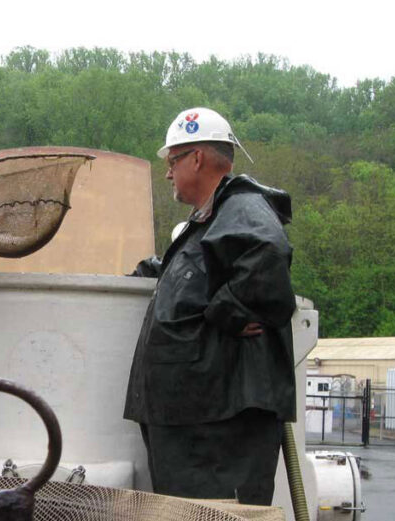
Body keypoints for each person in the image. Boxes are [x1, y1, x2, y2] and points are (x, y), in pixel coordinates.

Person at [123, 107, 296, 505]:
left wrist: (229, 311)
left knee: (217, 514)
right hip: (197, 418)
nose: (168, 172)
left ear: (197, 158)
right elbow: (200, 272)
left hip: (218, 424)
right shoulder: (211, 219)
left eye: (173, 161)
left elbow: (267, 254)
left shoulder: (241, 204)